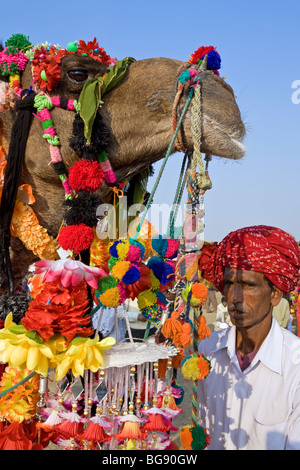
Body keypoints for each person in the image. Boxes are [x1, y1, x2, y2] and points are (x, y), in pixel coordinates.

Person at [197, 225, 300, 450]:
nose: (234, 297)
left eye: (248, 286)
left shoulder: (295, 365)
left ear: (275, 295)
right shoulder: (209, 350)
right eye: (230, 284)